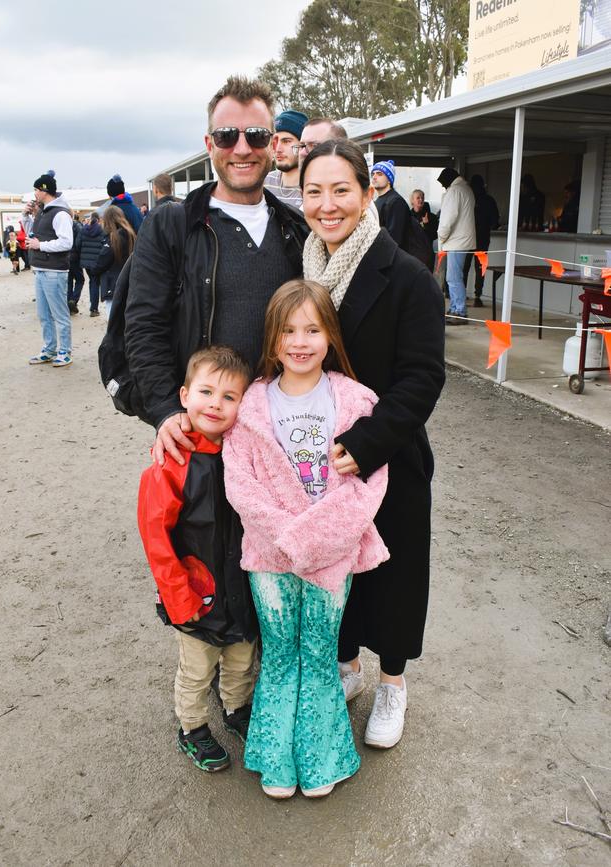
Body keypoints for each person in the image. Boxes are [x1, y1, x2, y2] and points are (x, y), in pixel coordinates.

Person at [300, 139, 445, 750]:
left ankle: (393, 683)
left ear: (366, 193)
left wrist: (367, 444)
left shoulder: (406, 275)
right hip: (317, 460)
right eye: (314, 191)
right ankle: (348, 668)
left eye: (340, 190)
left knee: (394, 576)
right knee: (335, 572)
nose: (327, 205)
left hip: (388, 457)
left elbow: (422, 378)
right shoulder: (303, 269)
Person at [223, 279, 389, 799]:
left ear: (330, 336)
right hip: (269, 555)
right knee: (278, 650)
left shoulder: (355, 401)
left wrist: (316, 539)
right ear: (272, 340)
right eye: (288, 331)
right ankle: (276, 757)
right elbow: (240, 483)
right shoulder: (249, 405)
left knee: (318, 652)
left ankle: (323, 756)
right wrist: (287, 536)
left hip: (330, 557)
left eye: (312, 329)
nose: (300, 341)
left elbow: (369, 483)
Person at [124, 75, 308, 461]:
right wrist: (165, 410)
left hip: (280, 435)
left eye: (256, 135)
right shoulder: (172, 226)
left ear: (274, 145)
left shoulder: (296, 230)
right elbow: (144, 325)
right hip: (202, 437)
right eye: (227, 136)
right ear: (210, 145)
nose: (242, 148)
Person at [137, 346, 257, 773]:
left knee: (242, 659)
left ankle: (237, 709)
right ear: (184, 395)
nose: (216, 404)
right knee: (197, 669)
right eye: (206, 391)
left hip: (241, 587)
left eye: (229, 396)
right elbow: (157, 538)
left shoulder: (244, 452)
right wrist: (178, 597)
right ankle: (192, 728)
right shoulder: (171, 462)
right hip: (195, 593)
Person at [22, 170, 74, 367]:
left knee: (59, 314)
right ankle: (50, 348)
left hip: (54, 271)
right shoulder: (44, 211)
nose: (34, 193)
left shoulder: (60, 213)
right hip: (41, 268)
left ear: (44, 191)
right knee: (44, 313)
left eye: (36, 189)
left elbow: (67, 242)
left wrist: (40, 246)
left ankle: (64, 351)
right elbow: (32, 235)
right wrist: (25, 216)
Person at [437, 167, 476, 325]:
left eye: (442, 183)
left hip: (456, 241)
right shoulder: (466, 189)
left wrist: (441, 236)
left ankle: (459, 311)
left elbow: (448, 218)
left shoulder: (454, 191)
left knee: (453, 278)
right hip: (462, 240)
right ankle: (455, 308)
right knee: (455, 277)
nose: (442, 187)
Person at [92, 206, 136, 319]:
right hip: (129, 282)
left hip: (113, 284)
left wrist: (94, 270)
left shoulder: (114, 237)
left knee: (113, 322)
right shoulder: (131, 234)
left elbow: (103, 260)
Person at [463, 174, 499, 307]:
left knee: (465, 267)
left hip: (468, 239)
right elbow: (495, 221)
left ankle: (462, 294)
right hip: (483, 238)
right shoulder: (489, 200)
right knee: (480, 268)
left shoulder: (469, 199)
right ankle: (478, 296)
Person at [264, 109, 309, 209]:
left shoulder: (313, 188)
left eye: (286, 141)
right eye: (274, 141)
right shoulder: (263, 182)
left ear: (302, 145)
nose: (278, 149)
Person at [371, 160, 409, 248]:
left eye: (379, 174)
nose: (374, 177)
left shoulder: (396, 201)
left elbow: (395, 238)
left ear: (389, 179)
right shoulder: (378, 201)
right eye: (373, 174)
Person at [78, 213, 105, 317]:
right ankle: (94, 308)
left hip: (86, 262)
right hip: (97, 262)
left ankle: (93, 307)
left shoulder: (83, 230)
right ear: (98, 220)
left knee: (92, 282)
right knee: (95, 283)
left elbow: (78, 244)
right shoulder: (102, 230)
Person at [67, 214, 84, 314]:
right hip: (75, 257)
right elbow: (79, 243)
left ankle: (69, 303)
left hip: (65, 256)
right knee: (80, 280)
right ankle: (73, 300)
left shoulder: (64, 225)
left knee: (69, 281)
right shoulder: (77, 226)